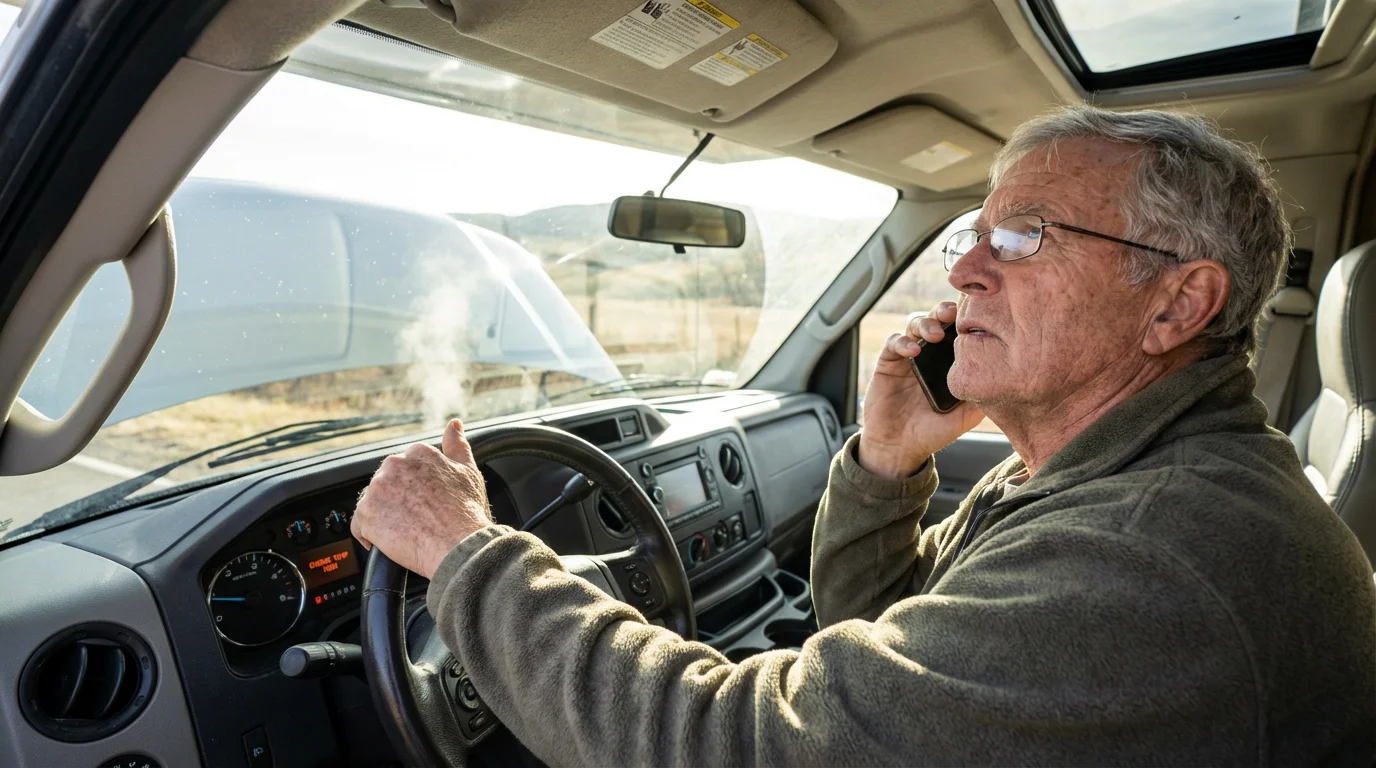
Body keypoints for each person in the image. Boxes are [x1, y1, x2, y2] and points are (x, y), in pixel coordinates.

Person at [351, 105, 1376, 765]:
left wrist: (466, 555)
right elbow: (896, 659)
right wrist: (888, 469)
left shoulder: (1150, 554)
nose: (964, 270)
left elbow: (730, 746)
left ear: (1173, 306)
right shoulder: (1098, 477)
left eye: (1022, 236)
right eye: (973, 235)